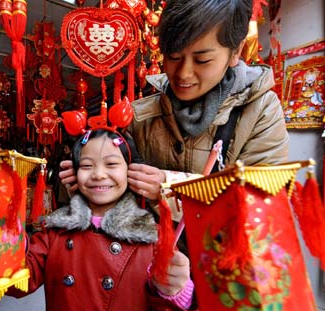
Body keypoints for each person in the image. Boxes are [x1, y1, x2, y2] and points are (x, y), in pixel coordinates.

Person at [60, 0, 289, 203]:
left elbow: (262, 202)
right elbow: (121, 203)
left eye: (202, 60)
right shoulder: (139, 114)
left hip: (221, 250)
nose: (183, 73)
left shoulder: (260, 110)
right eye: (174, 57)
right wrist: (87, 188)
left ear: (235, 52)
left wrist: (172, 187)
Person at [11, 129, 198, 311]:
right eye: (87, 165)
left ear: (131, 171)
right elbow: (17, 283)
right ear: (74, 172)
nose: (98, 174)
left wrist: (177, 293)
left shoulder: (153, 237)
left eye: (111, 164)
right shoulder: (55, 232)